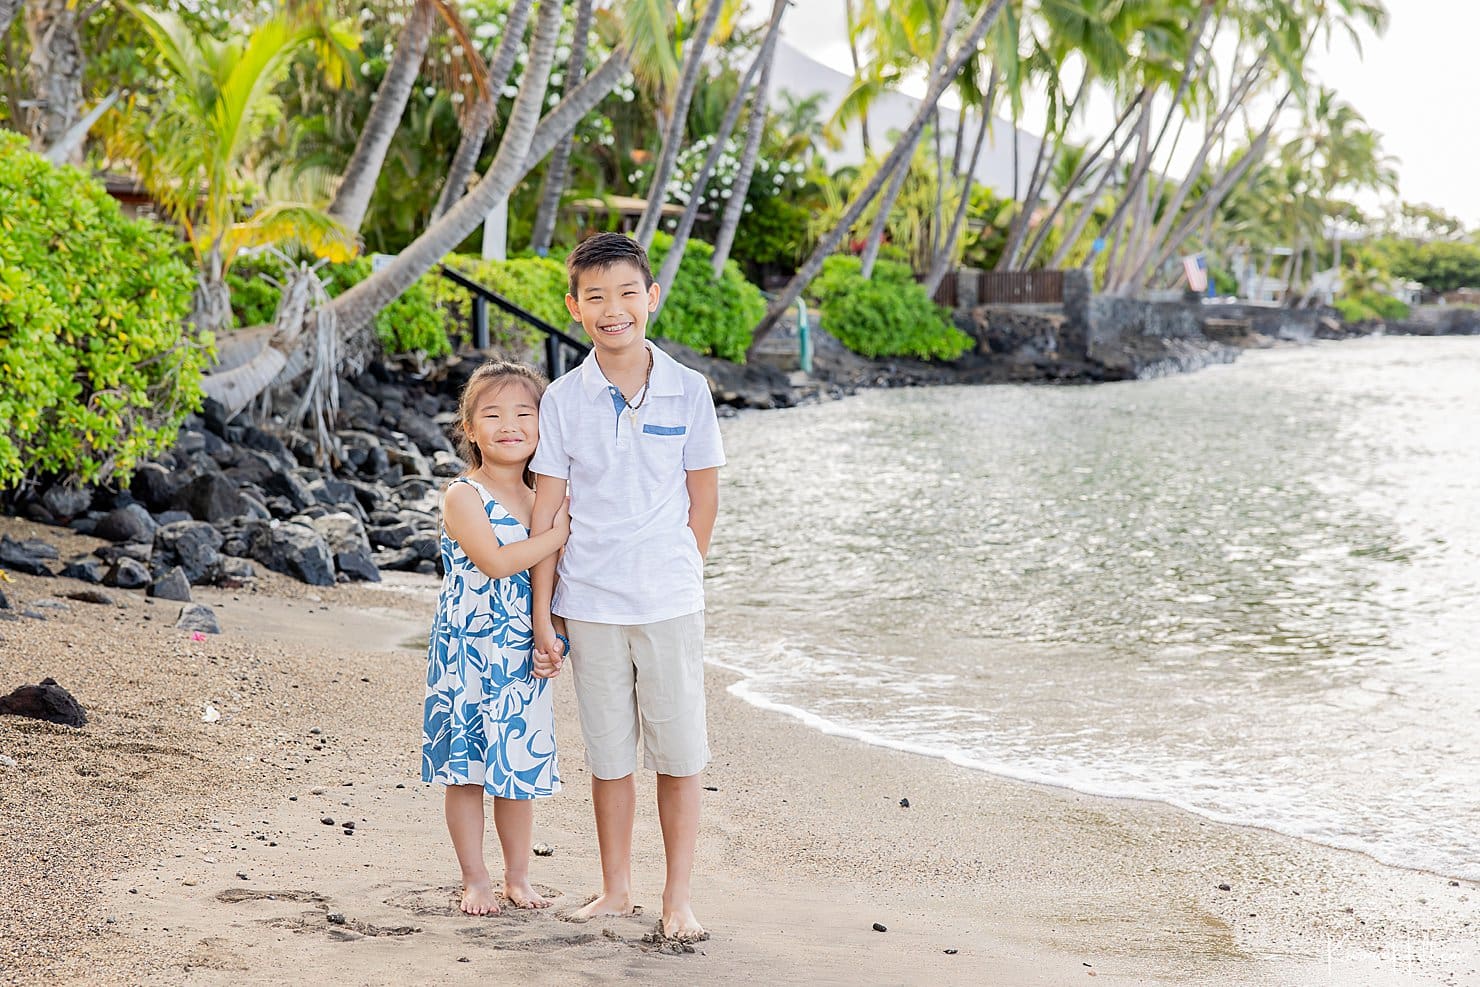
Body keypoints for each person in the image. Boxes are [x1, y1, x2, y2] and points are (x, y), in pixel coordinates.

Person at [528, 232, 724, 942]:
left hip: (670, 602)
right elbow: (548, 510)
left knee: (679, 755)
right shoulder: (560, 398)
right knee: (609, 756)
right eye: (597, 297)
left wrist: (677, 568)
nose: (615, 310)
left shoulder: (689, 389)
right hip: (589, 603)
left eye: (628, 294)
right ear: (576, 307)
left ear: (652, 298)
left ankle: (678, 897)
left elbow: (703, 500)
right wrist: (543, 610)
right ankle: (615, 888)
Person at [421, 361, 571, 916]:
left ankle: (517, 876)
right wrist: (555, 533)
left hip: (519, 653)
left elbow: (545, 582)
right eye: (493, 414)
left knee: (516, 772)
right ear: (471, 429)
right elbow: (495, 561)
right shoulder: (464, 494)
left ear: (542, 425)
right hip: (465, 651)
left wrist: (549, 635)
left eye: (523, 413)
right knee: (465, 771)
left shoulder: (542, 496)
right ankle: (475, 878)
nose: (510, 425)